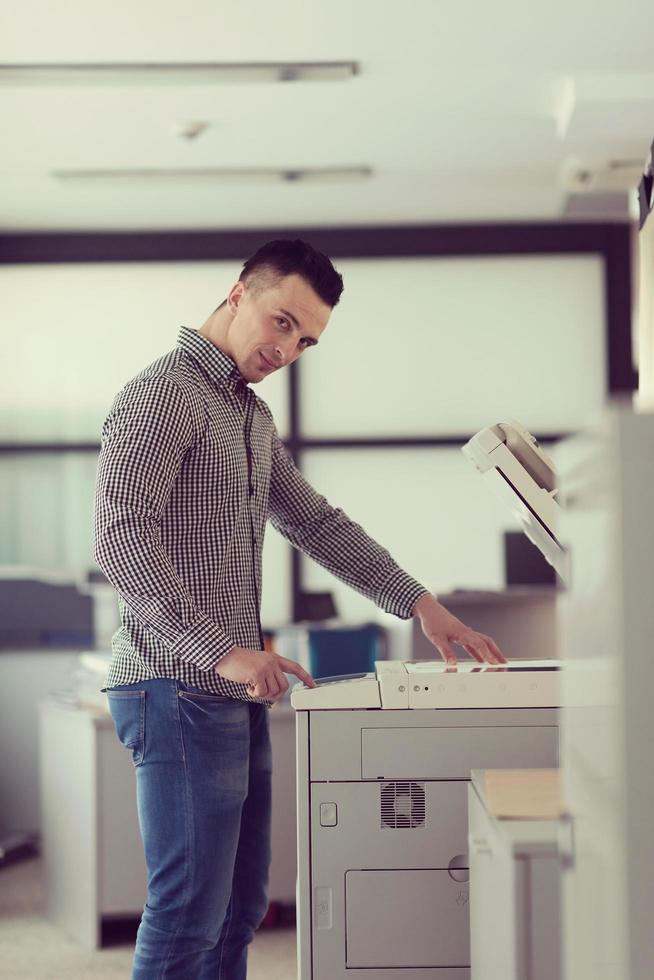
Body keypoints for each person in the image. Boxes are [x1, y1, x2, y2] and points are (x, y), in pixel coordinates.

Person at [94, 238, 506, 979]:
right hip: (175, 684)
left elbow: (315, 523)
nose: (289, 348)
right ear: (238, 294)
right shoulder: (164, 393)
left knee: (241, 908)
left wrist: (419, 603)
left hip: (232, 689)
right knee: (188, 910)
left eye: (307, 340)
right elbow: (120, 538)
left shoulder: (249, 417)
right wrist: (221, 649)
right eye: (282, 322)